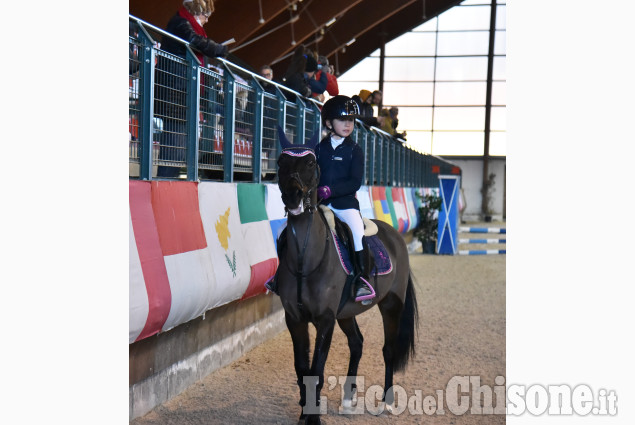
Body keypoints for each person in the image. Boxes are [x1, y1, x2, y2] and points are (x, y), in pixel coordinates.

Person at [156, 0, 228, 178]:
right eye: (206, 15)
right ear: (196, 12)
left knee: (177, 150)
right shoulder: (181, 24)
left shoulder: (182, 22)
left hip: (180, 95)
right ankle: (165, 185)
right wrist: (217, 48)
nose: (207, 20)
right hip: (175, 95)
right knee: (173, 149)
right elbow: (196, 42)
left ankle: (167, 184)